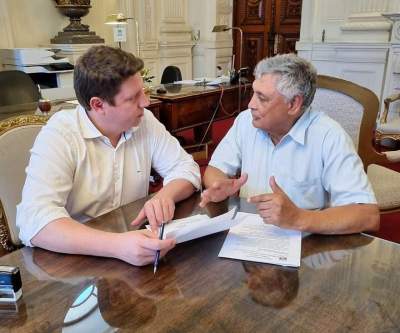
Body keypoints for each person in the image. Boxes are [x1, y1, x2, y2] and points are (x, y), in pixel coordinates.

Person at [17, 45, 201, 266]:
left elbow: (186, 169)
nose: (146, 102)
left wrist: (165, 196)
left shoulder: (145, 121)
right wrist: (117, 245)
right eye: (133, 98)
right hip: (77, 263)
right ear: (98, 105)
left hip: (135, 246)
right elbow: (34, 221)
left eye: (143, 91)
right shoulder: (61, 134)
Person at [200, 54, 379, 234]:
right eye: (253, 93)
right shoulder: (246, 122)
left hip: (306, 246)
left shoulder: (329, 136)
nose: (250, 105)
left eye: (262, 98)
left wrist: (298, 218)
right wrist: (219, 185)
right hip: (249, 237)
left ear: (293, 104)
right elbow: (214, 170)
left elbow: (367, 216)